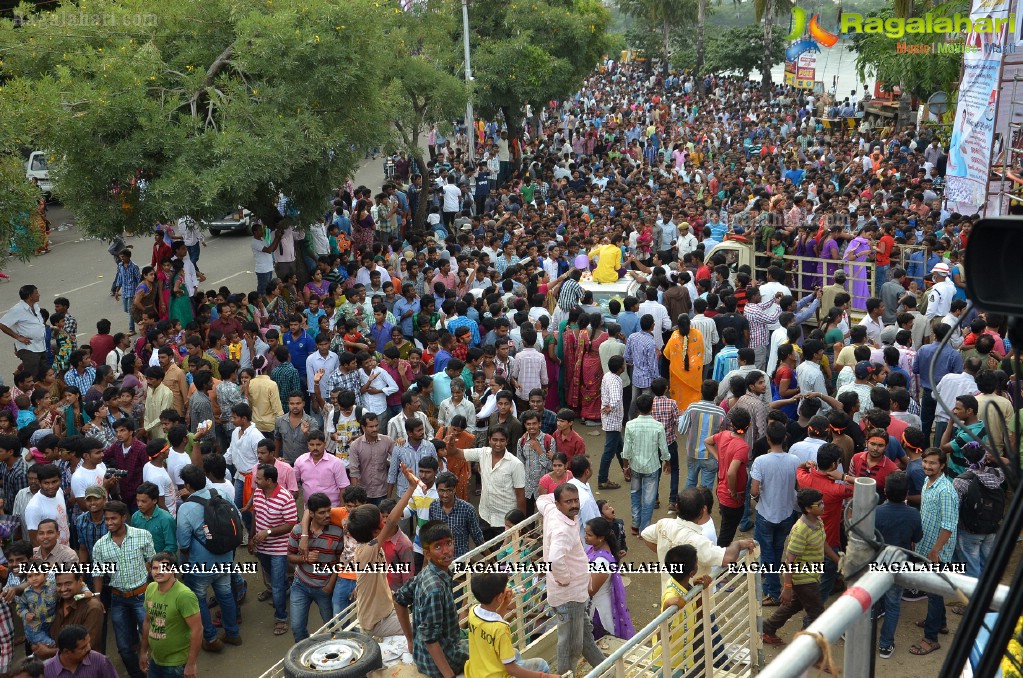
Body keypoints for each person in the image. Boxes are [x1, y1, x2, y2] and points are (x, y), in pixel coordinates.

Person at [536, 484, 607, 674]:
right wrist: (566, 579)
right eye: (568, 502)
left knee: (584, 640)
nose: (574, 505)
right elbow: (555, 559)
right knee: (570, 648)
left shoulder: (552, 510)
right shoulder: (563, 530)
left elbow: (541, 500)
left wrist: (556, 496)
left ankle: (609, 670)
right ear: (559, 504)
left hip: (572, 592)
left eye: (576, 500)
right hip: (570, 595)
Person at [174, 464, 241, 652]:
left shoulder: (186, 508)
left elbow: (184, 543)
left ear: (187, 485)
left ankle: (211, 639)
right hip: (226, 557)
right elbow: (237, 519)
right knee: (226, 595)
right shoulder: (220, 495)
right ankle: (233, 633)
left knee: (199, 599)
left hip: (201, 563)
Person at [761, 488, 840, 646]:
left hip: (812, 574)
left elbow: (823, 543)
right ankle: (812, 652)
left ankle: (767, 629)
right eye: (819, 504)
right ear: (808, 509)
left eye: (822, 502)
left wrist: (838, 561)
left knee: (794, 605)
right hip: (804, 579)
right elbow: (789, 562)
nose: (823, 506)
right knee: (817, 616)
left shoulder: (817, 521)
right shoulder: (800, 530)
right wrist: (787, 587)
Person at [393, 521, 469, 678]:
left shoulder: (426, 573)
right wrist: (449, 676)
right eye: (438, 547)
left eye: (449, 543)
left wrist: (410, 640)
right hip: (442, 663)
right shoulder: (435, 589)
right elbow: (430, 639)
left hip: (424, 656)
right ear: (427, 554)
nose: (446, 551)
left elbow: (399, 600)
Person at [90, 500, 156, 678]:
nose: (109, 523)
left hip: (142, 596)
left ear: (124, 517)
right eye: (107, 519)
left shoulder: (143, 536)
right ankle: (137, 674)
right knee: (124, 646)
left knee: (154, 638)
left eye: (113, 518)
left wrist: (155, 589)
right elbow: (98, 572)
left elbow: (152, 562)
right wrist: (97, 596)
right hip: (118, 599)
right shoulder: (100, 546)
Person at [912, 448, 959, 657]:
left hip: (938, 553)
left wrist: (936, 550)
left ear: (942, 465)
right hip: (926, 545)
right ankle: (940, 623)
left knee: (933, 592)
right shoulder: (927, 481)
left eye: (932, 463)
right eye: (925, 462)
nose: (927, 466)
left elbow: (949, 525)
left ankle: (931, 638)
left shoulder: (946, 491)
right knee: (934, 591)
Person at [465, 572, 557, 678]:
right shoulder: (501, 629)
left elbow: (491, 620)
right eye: (505, 588)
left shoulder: (473, 612)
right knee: (542, 665)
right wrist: (544, 676)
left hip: (477, 672)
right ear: (499, 597)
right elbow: (512, 670)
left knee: (515, 653)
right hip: (497, 675)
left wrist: (505, 602)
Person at [749, 421, 800, 607]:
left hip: (765, 514)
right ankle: (772, 586)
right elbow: (798, 486)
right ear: (785, 438)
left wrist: (756, 496)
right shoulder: (794, 460)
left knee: (767, 553)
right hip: (786, 513)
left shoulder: (761, 461)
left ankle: (772, 591)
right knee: (777, 551)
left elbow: (754, 490)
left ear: (768, 439)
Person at [874, 471, 922, 659]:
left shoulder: (875, 512)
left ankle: (858, 633)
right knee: (893, 604)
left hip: (876, 565)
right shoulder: (913, 514)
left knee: (870, 599)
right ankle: (885, 645)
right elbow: (917, 538)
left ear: (885, 491)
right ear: (906, 493)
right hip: (899, 565)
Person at [248, 463, 298, 637]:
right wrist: (251, 537)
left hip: (279, 549)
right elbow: (256, 515)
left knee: (276, 585)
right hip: (262, 548)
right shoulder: (259, 493)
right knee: (274, 578)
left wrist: (268, 532)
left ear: (269, 480)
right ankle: (287, 589)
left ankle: (281, 618)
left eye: (259, 478)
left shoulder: (286, 498)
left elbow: (291, 524)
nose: (256, 480)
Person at [140, 551, 202, 678]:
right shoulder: (150, 588)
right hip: (155, 660)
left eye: (163, 567)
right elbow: (147, 622)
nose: (158, 572)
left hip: (177, 665)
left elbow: (197, 630)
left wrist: (191, 664)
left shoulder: (184, 596)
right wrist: (143, 651)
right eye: (155, 568)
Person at [461, 427, 527, 540]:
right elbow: (458, 453)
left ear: (507, 441)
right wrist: (451, 443)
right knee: (484, 547)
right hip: (485, 515)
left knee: (503, 553)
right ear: (489, 439)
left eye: (502, 440)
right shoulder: (482, 453)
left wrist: (520, 524)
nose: (498, 443)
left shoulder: (516, 464)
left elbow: (520, 496)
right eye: (495, 440)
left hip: (505, 520)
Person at [622, 394, 670, 534]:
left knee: (635, 494)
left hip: (635, 466)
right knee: (649, 499)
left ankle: (635, 525)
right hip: (652, 466)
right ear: (652, 408)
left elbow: (626, 449)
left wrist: (626, 466)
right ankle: (645, 529)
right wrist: (667, 461)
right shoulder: (658, 426)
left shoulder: (630, 425)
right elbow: (663, 448)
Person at [705, 407, 750, 547]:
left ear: (732, 424)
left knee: (726, 526)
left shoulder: (724, 435)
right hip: (731, 496)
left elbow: (707, 441)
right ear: (748, 425)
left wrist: (719, 458)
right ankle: (721, 561)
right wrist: (733, 491)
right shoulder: (742, 447)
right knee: (727, 533)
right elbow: (731, 472)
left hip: (721, 490)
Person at [584, 516, 634, 640]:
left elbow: (590, 590)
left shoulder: (602, 562)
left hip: (598, 610)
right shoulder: (593, 549)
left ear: (600, 538)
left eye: (589, 535)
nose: (585, 537)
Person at [0, 285, 47, 375]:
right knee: (32, 376)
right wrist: (17, 337)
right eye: (36, 293)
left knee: (43, 375)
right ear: (30, 296)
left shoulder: (35, 306)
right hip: (29, 348)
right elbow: (2, 324)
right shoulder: (17, 309)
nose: (39, 294)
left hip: (41, 346)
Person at [664, 313, 704, 411]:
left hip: (677, 373)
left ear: (678, 325)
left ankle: (679, 413)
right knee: (694, 396)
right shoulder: (697, 334)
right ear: (690, 324)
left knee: (679, 396)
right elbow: (701, 352)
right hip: (695, 373)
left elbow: (667, 354)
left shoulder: (674, 336)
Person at [43, 625, 118, 678]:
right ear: (66, 652)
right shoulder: (45, 671)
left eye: (88, 643)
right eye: (83, 647)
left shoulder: (100, 661)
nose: (89, 648)